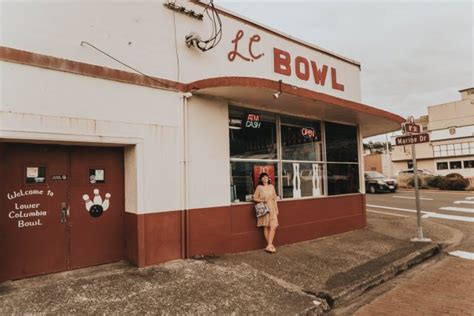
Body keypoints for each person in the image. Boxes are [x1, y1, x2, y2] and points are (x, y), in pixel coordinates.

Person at [253, 172, 279, 253]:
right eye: (263, 177)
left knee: (273, 226)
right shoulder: (259, 187)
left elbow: (275, 198)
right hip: (265, 208)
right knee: (266, 226)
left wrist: (277, 208)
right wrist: (263, 200)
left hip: (272, 208)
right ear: (261, 179)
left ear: (268, 178)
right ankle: (270, 245)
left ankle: (269, 245)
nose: (265, 178)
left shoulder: (272, 186)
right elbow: (254, 198)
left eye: (266, 177)